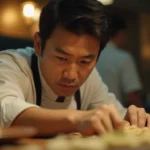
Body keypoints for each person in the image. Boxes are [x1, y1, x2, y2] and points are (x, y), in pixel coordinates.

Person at [0, 0, 149, 136]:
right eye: (62, 58)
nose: (71, 75)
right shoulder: (11, 64)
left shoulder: (90, 80)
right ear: (38, 45)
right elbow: (5, 110)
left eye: (84, 61)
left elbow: (117, 117)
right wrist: (78, 119)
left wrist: (133, 119)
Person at [96, 15, 143, 108]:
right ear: (121, 33)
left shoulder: (93, 53)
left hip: (87, 114)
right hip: (114, 114)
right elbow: (133, 93)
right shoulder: (123, 57)